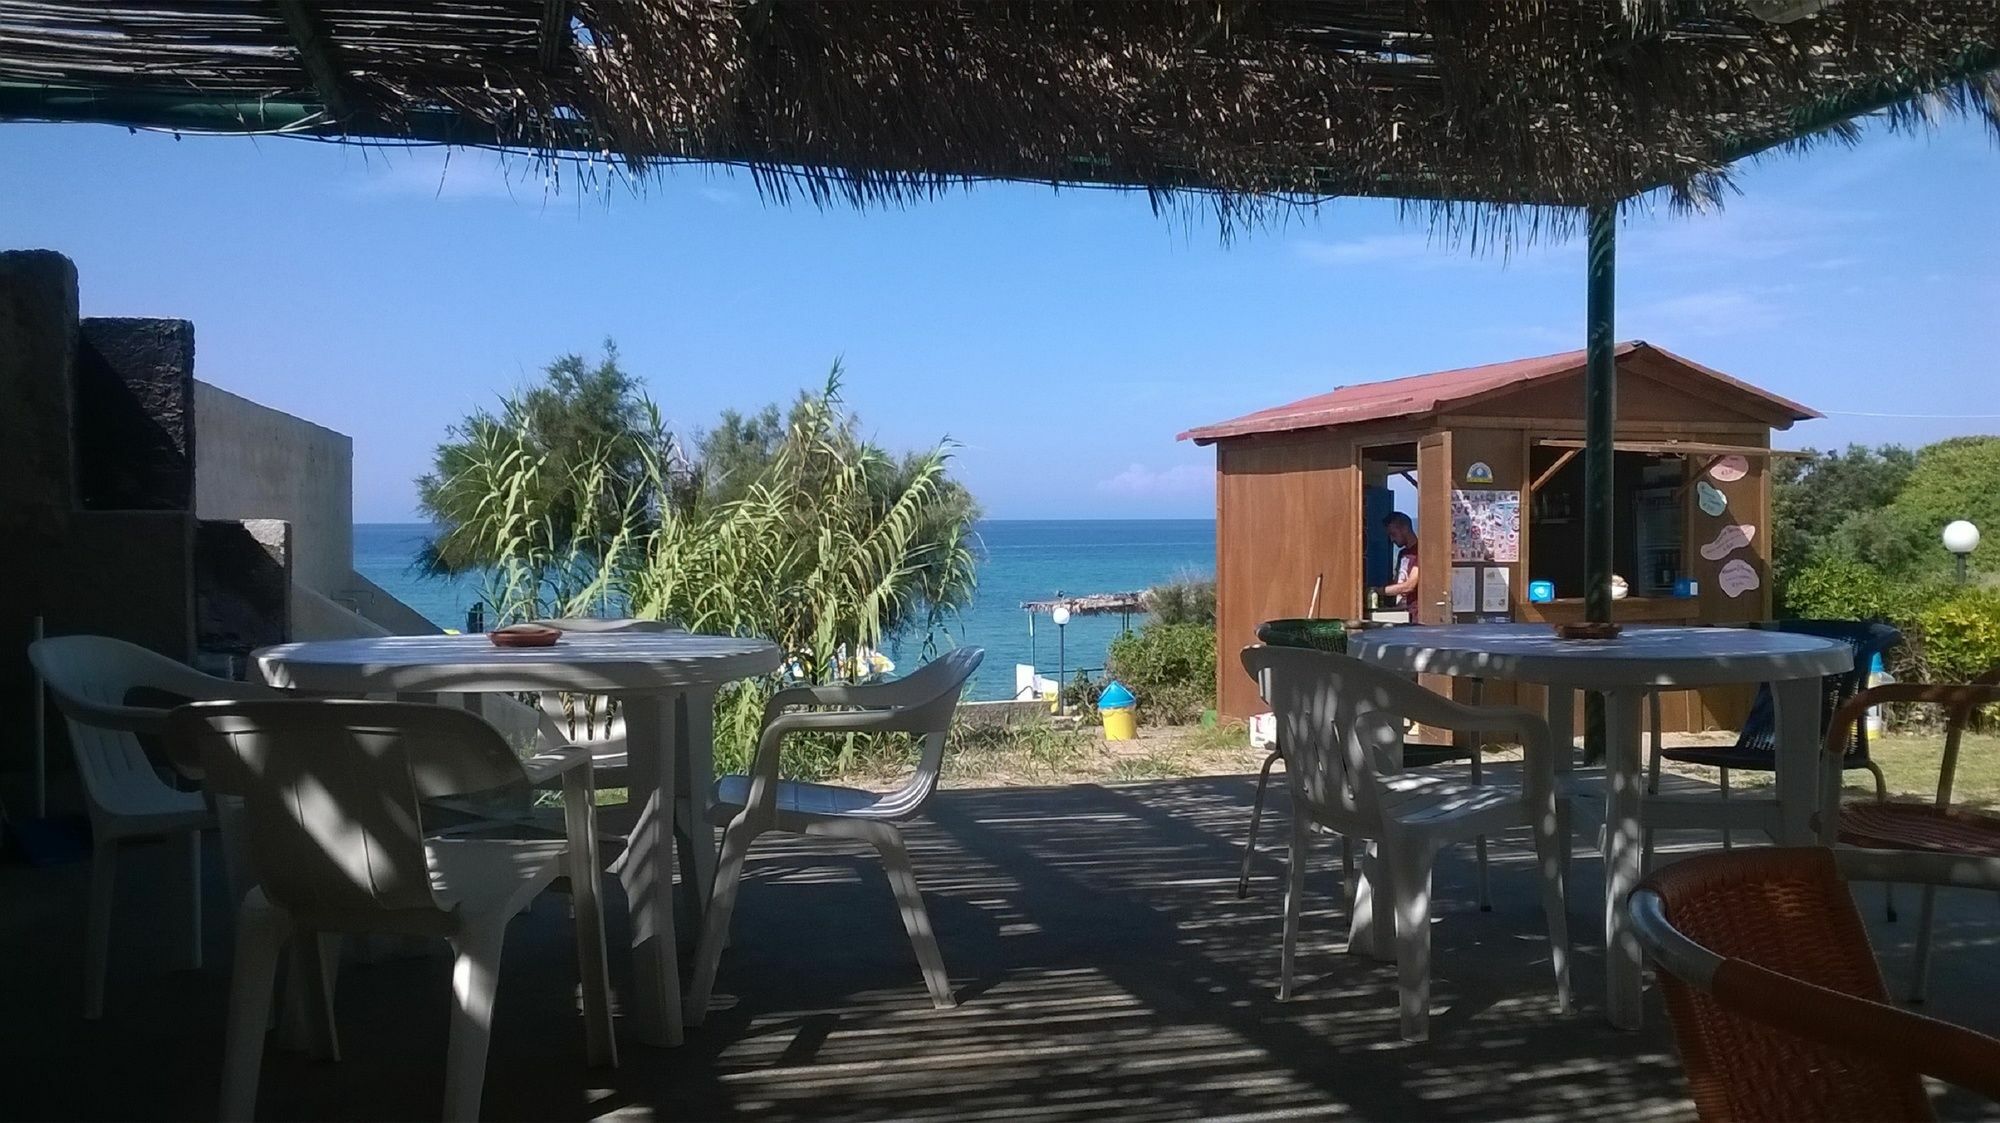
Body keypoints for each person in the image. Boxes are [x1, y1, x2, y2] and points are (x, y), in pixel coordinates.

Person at [1379, 511, 1420, 609]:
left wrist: (1379, 591)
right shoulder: (1402, 554)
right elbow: (1398, 582)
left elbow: (1409, 585)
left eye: (1393, 534)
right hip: (1403, 610)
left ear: (1405, 529)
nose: (1392, 539)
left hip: (1416, 612)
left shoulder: (1420, 552)